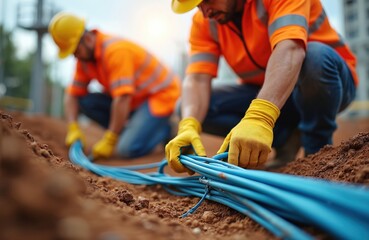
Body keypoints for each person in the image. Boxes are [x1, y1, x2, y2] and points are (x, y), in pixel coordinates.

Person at [165, 0, 358, 173]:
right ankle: (285, 138)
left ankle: (317, 153)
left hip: (328, 84)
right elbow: (197, 78)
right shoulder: (205, 22)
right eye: (198, 6)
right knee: (187, 108)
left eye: (207, 1)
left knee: (315, 57)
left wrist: (260, 115)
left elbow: (290, 48)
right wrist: (188, 125)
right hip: (273, 96)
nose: (205, 12)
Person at [48, 12, 181, 160]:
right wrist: (72, 127)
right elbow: (72, 95)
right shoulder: (84, 59)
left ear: (87, 39)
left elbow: (123, 98)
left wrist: (110, 139)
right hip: (135, 99)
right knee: (86, 101)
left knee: (126, 149)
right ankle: (133, 131)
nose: (75, 56)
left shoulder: (115, 51)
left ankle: (164, 130)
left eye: (76, 51)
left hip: (161, 96)